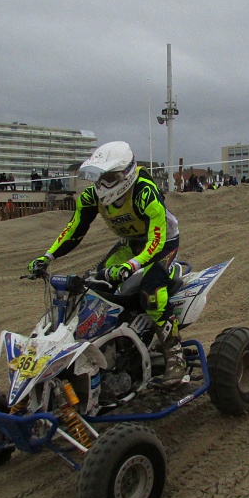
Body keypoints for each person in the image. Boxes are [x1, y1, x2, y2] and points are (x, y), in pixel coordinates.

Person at [28, 141, 185, 386]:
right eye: (100, 177)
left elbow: (156, 239)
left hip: (162, 244)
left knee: (152, 294)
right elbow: (74, 229)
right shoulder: (92, 196)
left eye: (110, 177)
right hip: (130, 243)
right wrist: (47, 257)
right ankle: (112, 346)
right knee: (94, 285)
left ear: (127, 173)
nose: (103, 184)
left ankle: (175, 356)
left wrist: (132, 265)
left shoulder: (145, 192)